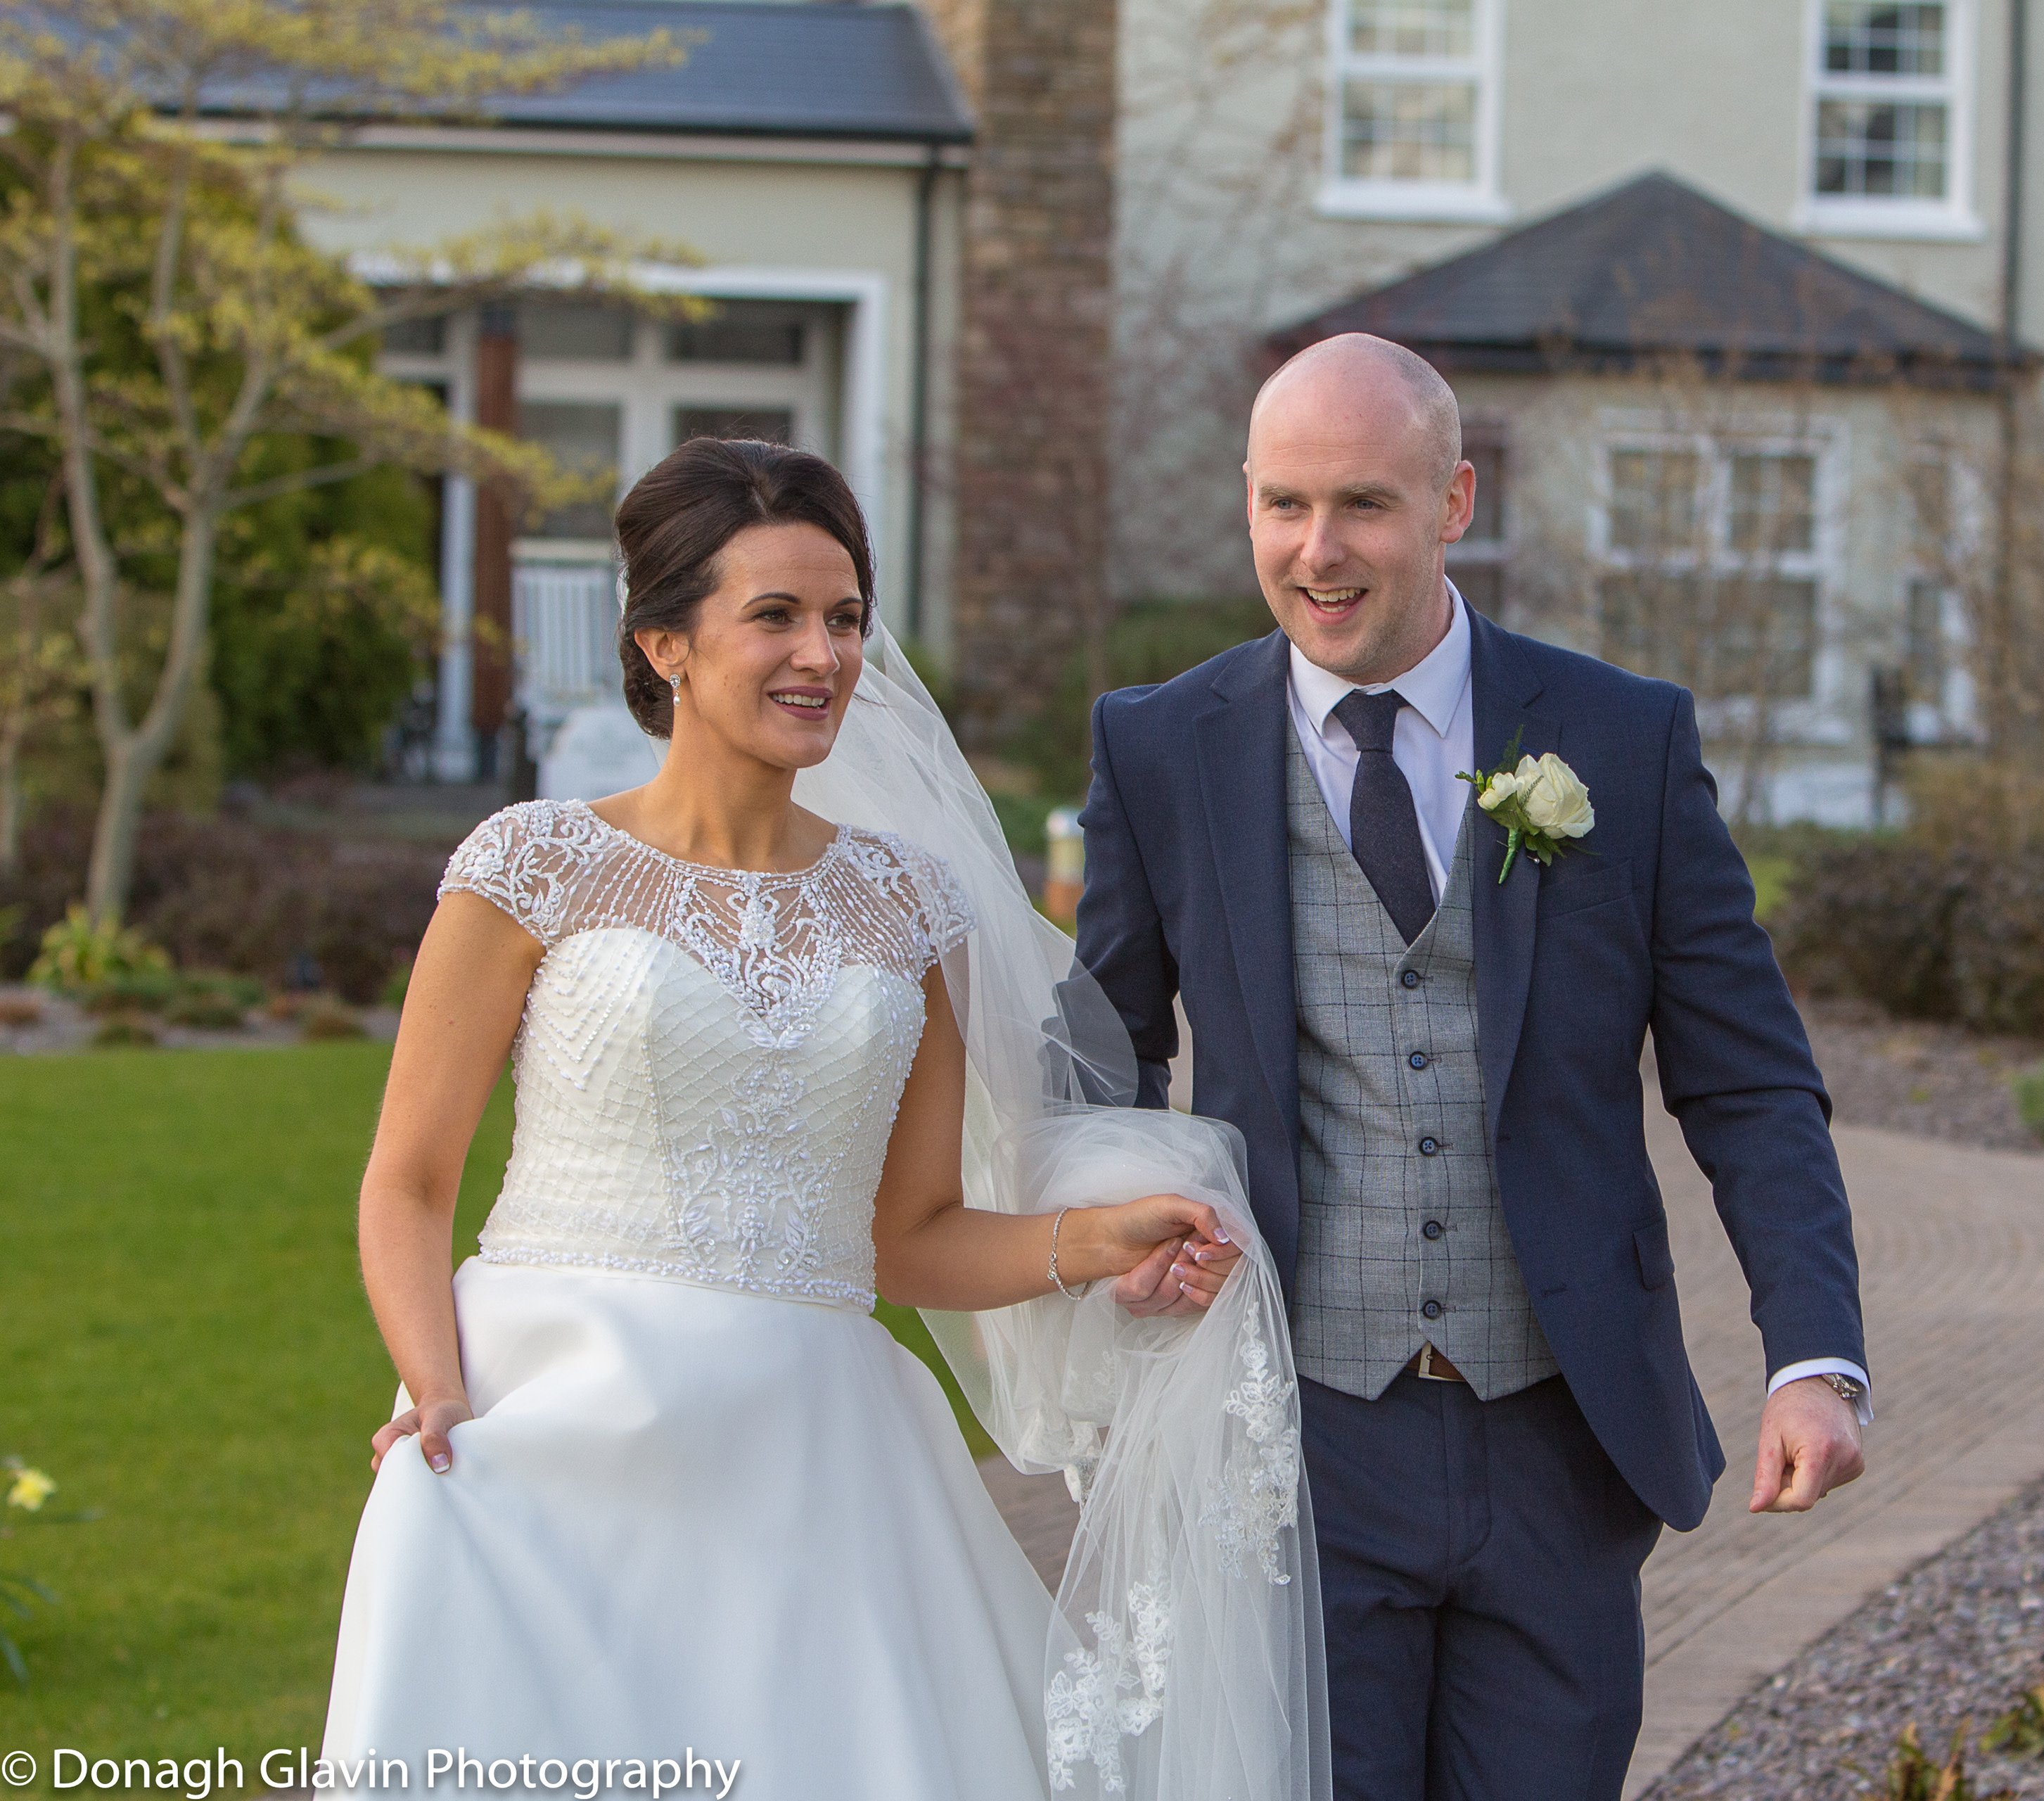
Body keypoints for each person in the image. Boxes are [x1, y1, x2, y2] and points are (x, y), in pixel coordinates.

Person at [321, 438, 1327, 1801]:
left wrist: (1097, 1240)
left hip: (813, 1462)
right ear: (665, 642)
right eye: (776, 615)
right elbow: (407, 1180)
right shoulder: (531, 866)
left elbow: (906, 1237)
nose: (826, 654)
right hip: (549, 1421)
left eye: (846, 616)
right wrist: (438, 1381)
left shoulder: (906, 906)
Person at [1075, 335, 1870, 1801]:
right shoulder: (1161, 745)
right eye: (1285, 506)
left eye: (1364, 505)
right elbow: (1105, 1045)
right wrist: (1108, 1229)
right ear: (1246, 502)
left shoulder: (1622, 741)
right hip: (1298, 1436)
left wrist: (1813, 1353)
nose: (1319, 551)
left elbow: (1749, 1080)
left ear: (1455, 499)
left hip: (1562, 1439)